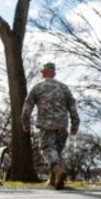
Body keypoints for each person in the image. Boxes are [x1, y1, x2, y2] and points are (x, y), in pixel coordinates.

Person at [21, 62, 79, 190]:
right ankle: (53, 180)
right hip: (62, 124)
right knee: (56, 152)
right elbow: (72, 106)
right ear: (54, 73)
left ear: (43, 72)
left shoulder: (37, 87)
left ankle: (58, 171)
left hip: (46, 124)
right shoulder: (64, 87)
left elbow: (28, 106)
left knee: (47, 149)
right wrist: (75, 124)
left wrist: (25, 122)